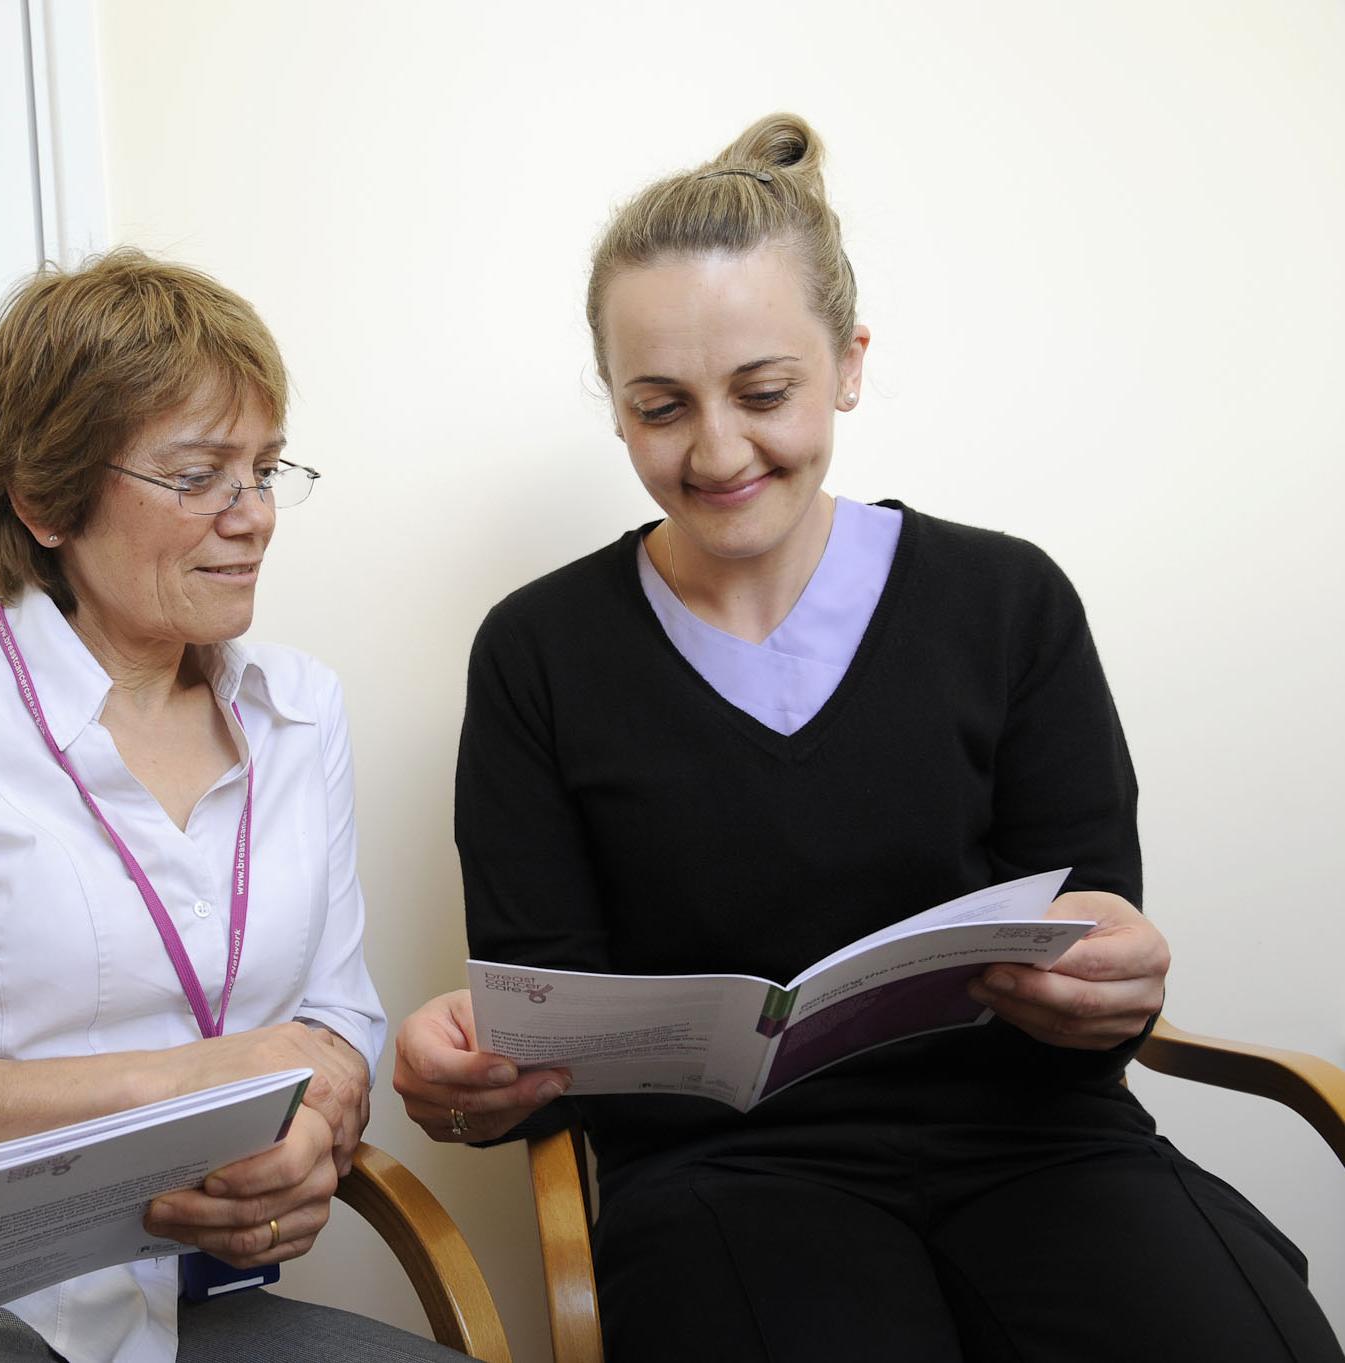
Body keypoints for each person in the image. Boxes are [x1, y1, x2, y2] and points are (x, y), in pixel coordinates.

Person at [394, 116, 1343, 1361]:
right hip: (717, 1185)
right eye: (659, 407)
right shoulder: (537, 653)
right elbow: (542, 1028)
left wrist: (1109, 980)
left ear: (846, 363)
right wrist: (469, 1083)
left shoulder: (1006, 603)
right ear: (614, 407)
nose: (718, 449)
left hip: (1040, 1151)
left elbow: (1094, 914)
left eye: (764, 392)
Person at [0, 250, 466, 1363]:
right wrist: (192, 1080)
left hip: (173, 1304)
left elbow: (333, 1021)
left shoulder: (300, 708)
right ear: (45, 501)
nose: (251, 516)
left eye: (263, 468)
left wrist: (311, 1139)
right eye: (198, 475)